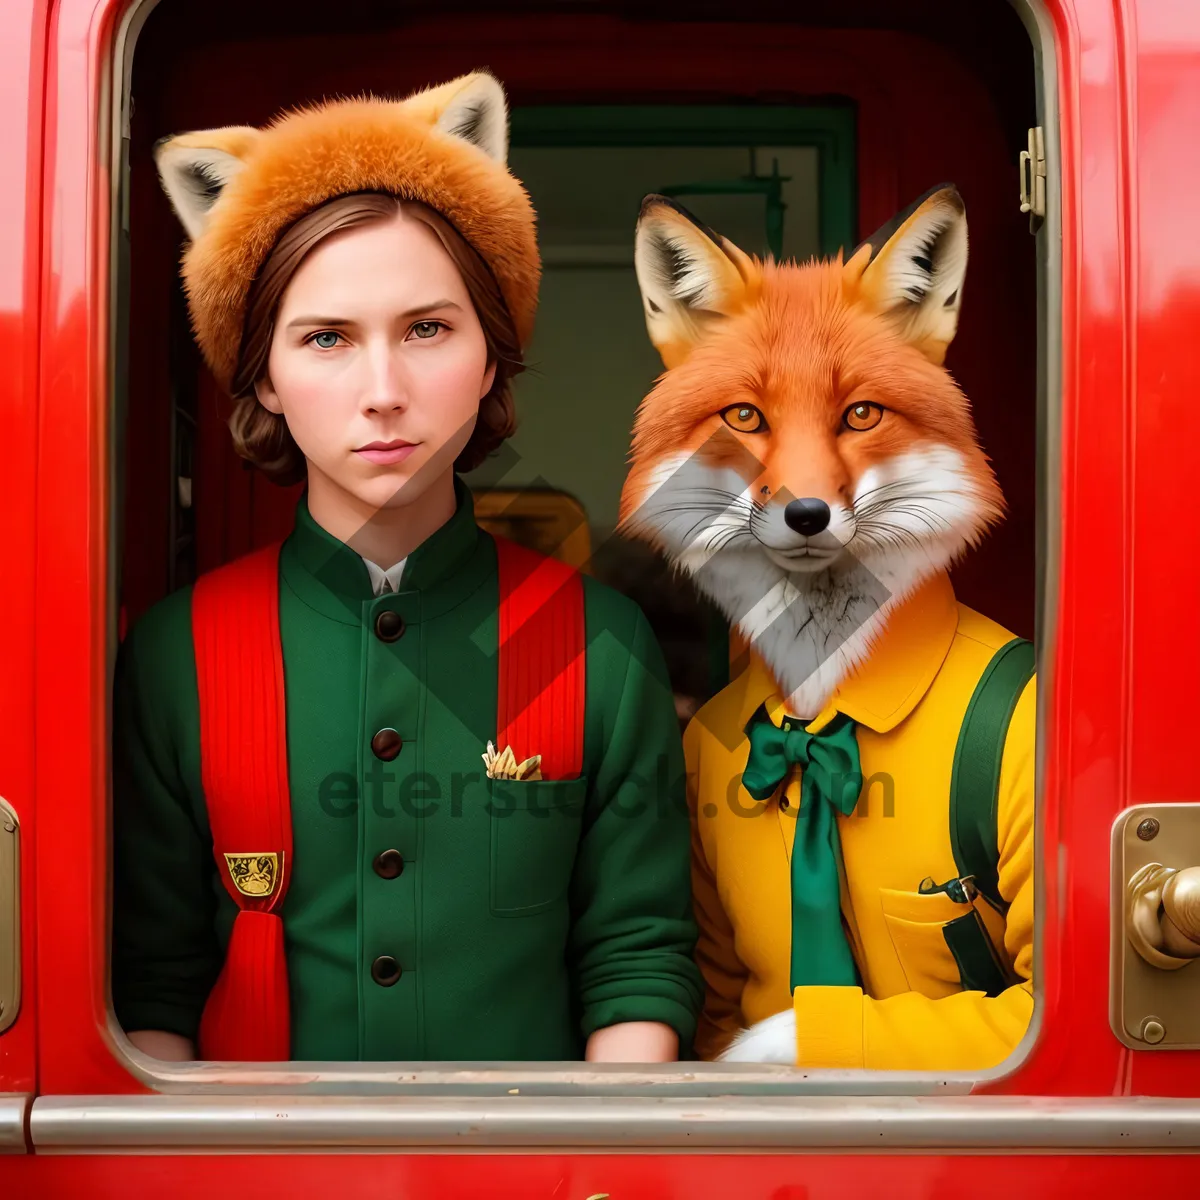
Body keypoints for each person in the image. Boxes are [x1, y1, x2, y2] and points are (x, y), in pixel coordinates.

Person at [112, 72, 702, 1063]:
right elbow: (151, 986)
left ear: (488, 356)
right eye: (327, 339)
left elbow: (636, 959)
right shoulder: (177, 653)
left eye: (428, 329)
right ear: (262, 372)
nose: (383, 391)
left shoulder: (600, 643)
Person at [618, 186, 1035, 1070]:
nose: (806, 491)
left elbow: (1088, 1025)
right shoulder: (720, 744)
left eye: (859, 415)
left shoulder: (1020, 720)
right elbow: (717, 1017)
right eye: (746, 418)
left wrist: (818, 1045)